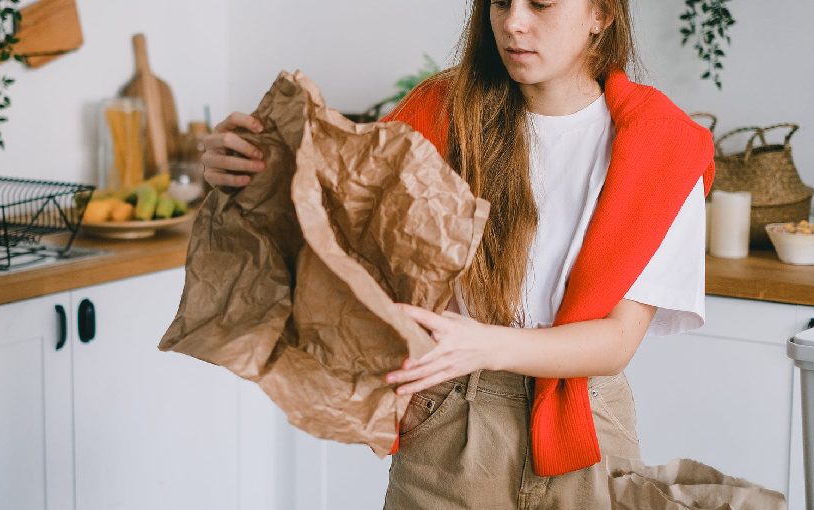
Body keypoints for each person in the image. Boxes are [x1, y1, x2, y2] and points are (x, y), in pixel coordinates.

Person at [201, 0, 713, 507]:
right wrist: (249, 173)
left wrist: (483, 346)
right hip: (450, 412)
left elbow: (617, 341)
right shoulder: (437, 115)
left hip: (588, 430)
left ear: (600, 15)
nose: (513, 22)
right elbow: (336, 225)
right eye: (499, 2)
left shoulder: (663, 147)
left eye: (540, 4)